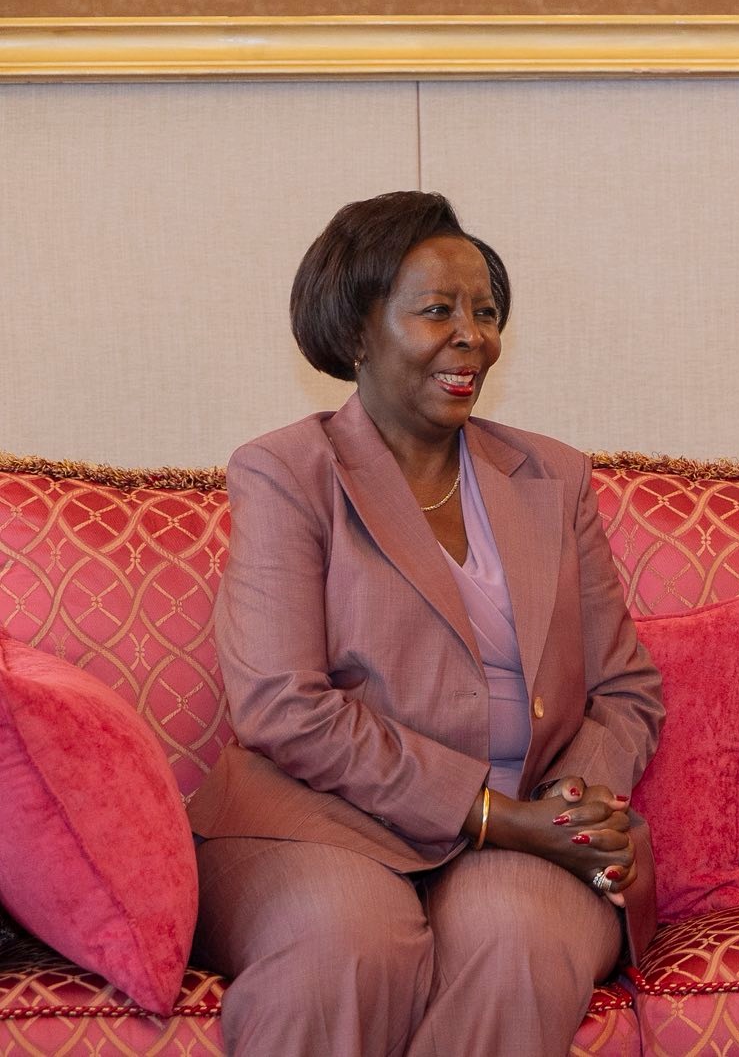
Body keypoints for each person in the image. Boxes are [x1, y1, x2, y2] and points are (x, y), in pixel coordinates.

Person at [185, 192, 666, 1056]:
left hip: (532, 826)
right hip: (322, 822)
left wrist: (570, 805)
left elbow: (624, 686)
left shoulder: (552, 477)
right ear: (357, 331)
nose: (472, 336)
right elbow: (283, 705)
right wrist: (486, 815)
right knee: (347, 948)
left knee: (517, 942)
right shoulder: (288, 473)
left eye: (485, 312)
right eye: (438, 311)